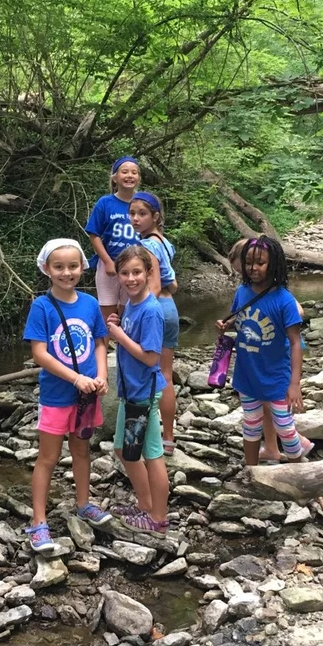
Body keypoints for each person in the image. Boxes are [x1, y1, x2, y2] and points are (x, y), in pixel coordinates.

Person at [22, 239, 111, 552]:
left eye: (72, 266)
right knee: (47, 457)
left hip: (87, 394)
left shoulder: (89, 303)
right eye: (58, 267)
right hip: (57, 394)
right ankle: (38, 521)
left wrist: (101, 375)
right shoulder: (42, 306)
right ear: (47, 269)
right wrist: (75, 378)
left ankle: (84, 503)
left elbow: (101, 342)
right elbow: (39, 353)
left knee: (82, 450)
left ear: (82, 268)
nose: (66, 272)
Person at [216, 237, 312, 466]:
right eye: (249, 262)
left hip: (276, 375)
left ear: (274, 264)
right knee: (250, 422)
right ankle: (252, 472)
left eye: (260, 263)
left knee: (285, 427)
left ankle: (300, 476)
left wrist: (295, 383)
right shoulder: (242, 291)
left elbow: (296, 343)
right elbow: (241, 318)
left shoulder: (284, 300)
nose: (253, 268)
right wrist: (226, 325)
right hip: (247, 373)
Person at [106, 245, 170, 536]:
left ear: (148, 273)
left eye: (137, 272)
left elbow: (150, 357)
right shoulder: (130, 303)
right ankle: (145, 504)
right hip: (130, 391)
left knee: (152, 454)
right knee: (123, 450)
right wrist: (118, 324)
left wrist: (118, 336)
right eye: (125, 273)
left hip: (145, 393)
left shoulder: (151, 310)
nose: (131, 278)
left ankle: (158, 517)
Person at [130, 191, 180, 456]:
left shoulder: (147, 245)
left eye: (142, 214)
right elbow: (173, 284)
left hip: (154, 310)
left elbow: (155, 284)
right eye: (133, 213)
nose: (136, 219)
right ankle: (169, 438)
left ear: (155, 217)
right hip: (169, 307)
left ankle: (143, 435)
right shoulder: (163, 242)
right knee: (166, 375)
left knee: (148, 374)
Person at [85, 156, 141, 322]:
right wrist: (108, 261)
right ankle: (103, 346)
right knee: (108, 314)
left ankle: (123, 346)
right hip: (108, 263)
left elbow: (151, 233)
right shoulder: (105, 203)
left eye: (134, 172)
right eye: (124, 172)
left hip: (136, 266)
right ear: (115, 177)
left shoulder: (143, 203)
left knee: (129, 312)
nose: (129, 175)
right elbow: (93, 234)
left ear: (138, 178)